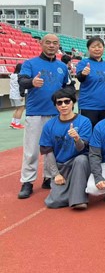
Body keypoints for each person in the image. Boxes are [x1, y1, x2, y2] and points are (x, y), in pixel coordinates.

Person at [17, 33, 71, 199]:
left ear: (58, 46)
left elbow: (68, 86)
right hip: (36, 113)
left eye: (55, 43)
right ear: (41, 43)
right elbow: (22, 81)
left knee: (52, 149)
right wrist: (32, 82)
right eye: (48, 42)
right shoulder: (30, 63)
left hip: (56, 114)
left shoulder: (62, 67)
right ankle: (27, 181)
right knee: (32, 150)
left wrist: (66, 97)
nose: (51, 46)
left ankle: (49, 177)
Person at [39, 88, 92, 209]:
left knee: (81, 159)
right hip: (61, 166)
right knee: (53, 202)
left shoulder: (84, 121)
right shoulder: (49, 125)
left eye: (67, 101)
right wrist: (56, 174)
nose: (63, 105)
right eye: (59, 102)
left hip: (79, 164)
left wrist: (77, 138)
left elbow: (82, 148)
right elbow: (48, 152)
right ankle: (74, 191)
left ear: (73, 102)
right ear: (56, 106)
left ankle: (79, 200)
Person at [76, 36, 105, 127]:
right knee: (88, 132)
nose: (97, 49)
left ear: (103, 48)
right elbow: (80, 78)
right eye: (93, 47)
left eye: (99, 46)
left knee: (104, 132)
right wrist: (83, 74)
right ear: (88, 49)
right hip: (88, 106)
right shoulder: (83, 63)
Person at [9, 63, 25, 129]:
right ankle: (17, 124)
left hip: (12, 94)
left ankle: (13, 122)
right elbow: (21, 86)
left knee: (17, 109)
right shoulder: (19, 76)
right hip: (18, 95)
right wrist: (22, 95)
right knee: (21, 108)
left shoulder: (12, 75)